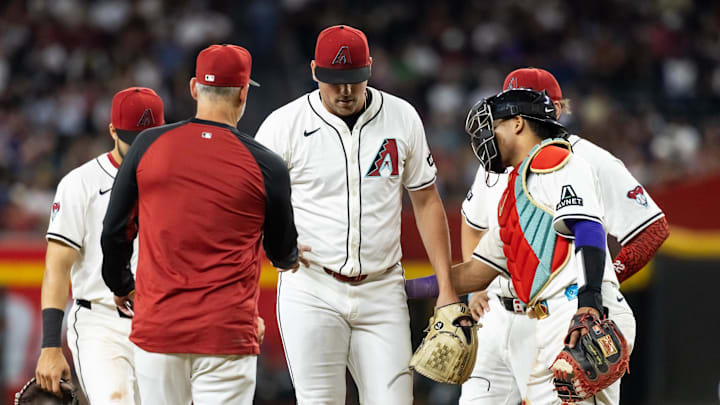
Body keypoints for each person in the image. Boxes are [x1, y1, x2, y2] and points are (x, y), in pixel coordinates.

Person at [254, 25, 460, 404]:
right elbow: (251, 207)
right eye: (335, 80)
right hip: (311, 287)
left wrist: (446, 289)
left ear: (370, 68)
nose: (345, 90)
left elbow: (427, 200)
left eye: (354, 79)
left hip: (383, 288)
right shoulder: (283, 126)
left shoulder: (401, 117)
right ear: (315, 70)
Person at [101, 44, 299, 405]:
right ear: (243, 93)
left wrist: (122, 285)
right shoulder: (267, 165)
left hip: (159, 327)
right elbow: (281, 252)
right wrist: (292, 256)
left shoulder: (147, 144)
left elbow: (115, 230)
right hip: (227, 334)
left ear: (194, 87)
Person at [457, 68, 669, 404]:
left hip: (561, 311)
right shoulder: (498, 164)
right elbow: (473, 226)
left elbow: (650, 229)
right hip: (499, 312)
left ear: (554, 108)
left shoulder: (585, 160)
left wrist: (596, 288)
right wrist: (469, 293)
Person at [418, 87, 639, 404]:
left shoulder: (557, 159)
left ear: (518, 123)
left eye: (494, 125)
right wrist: (399, 287)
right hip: (548, 320)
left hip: (581, 309)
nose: (486, 137)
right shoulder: (516, 190)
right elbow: (477, 272)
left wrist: (589, 303)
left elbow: (588, 227)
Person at [35, 86, 165, 403]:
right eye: (132, 140)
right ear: (111, 131)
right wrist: (51, 345)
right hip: (102, 323)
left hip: (164, 319)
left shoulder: (180, 180)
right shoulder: (81, 183)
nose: (139, 150)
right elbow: (56, 266)